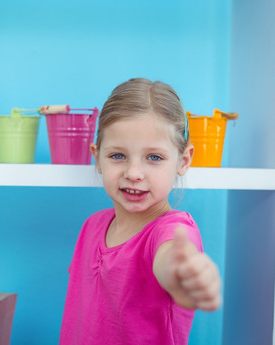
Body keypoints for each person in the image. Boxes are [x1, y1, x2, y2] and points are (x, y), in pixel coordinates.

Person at [59, 78, 222, 345]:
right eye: (118, 156)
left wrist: (184, 273)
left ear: (183, 160)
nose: (133, 173)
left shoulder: (172, 231)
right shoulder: (92, 226)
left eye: (154, 158)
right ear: (97, 157)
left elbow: (170, 259)